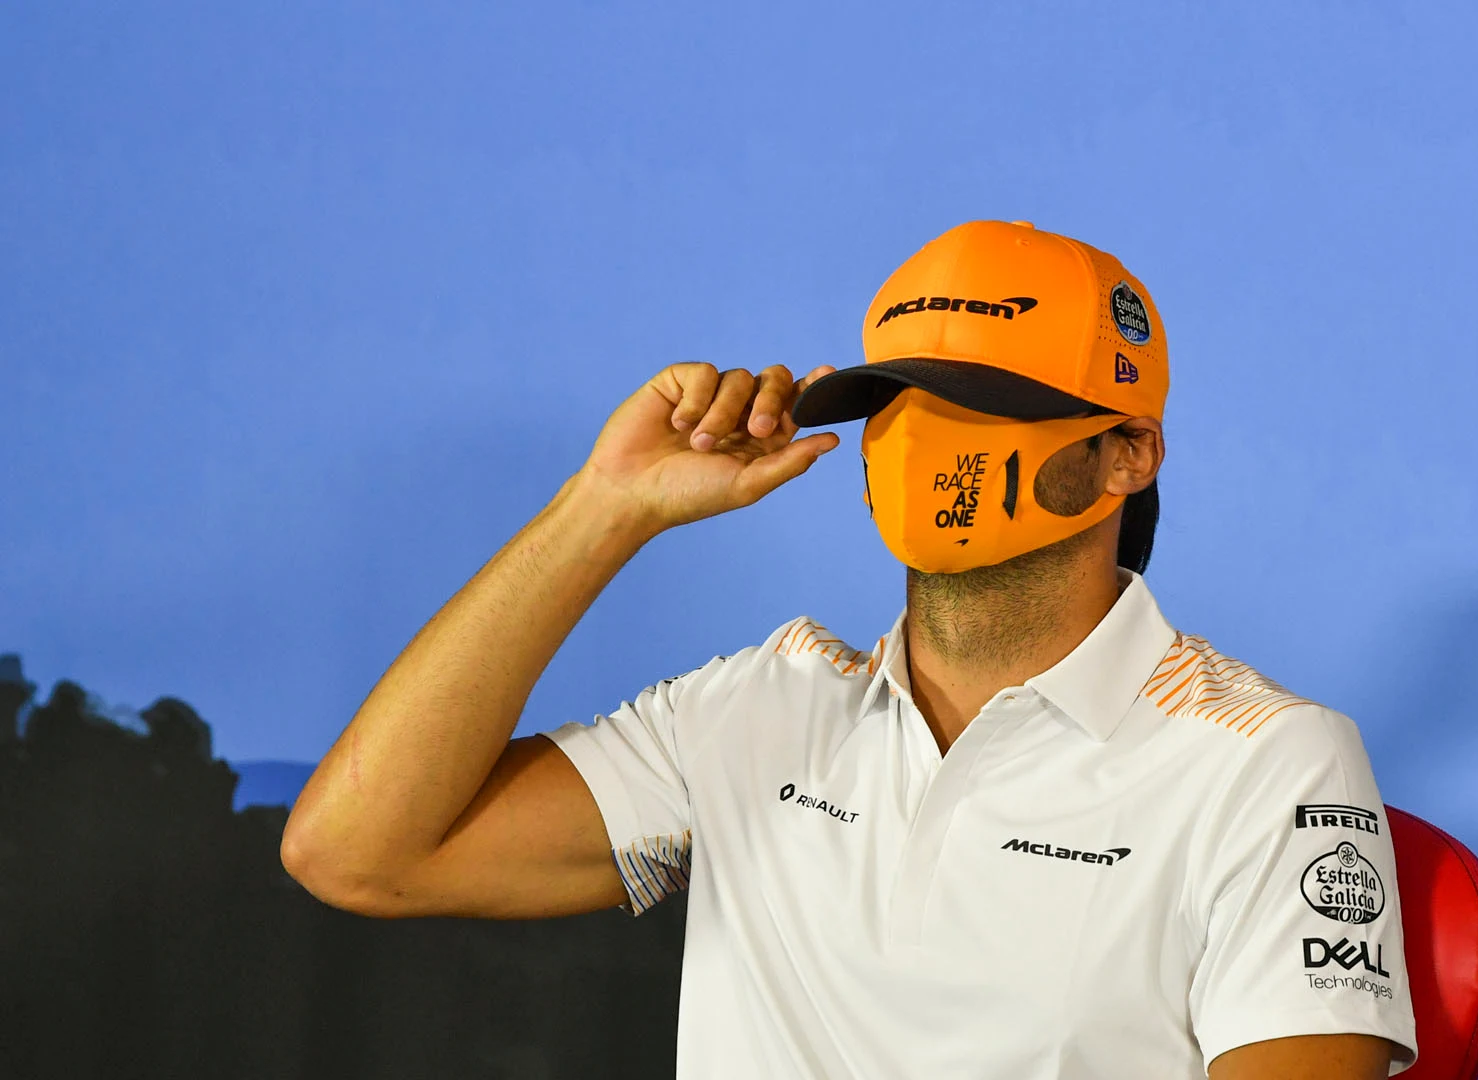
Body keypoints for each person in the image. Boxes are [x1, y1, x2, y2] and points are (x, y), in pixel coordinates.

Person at [282, 220, 1417, 1079]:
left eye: (981, 403)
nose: (925, 441)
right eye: (894, 400)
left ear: (1126, 455)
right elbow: (358, 850)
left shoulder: (1265, 762)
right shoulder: (753, 710)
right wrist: (606, 507)